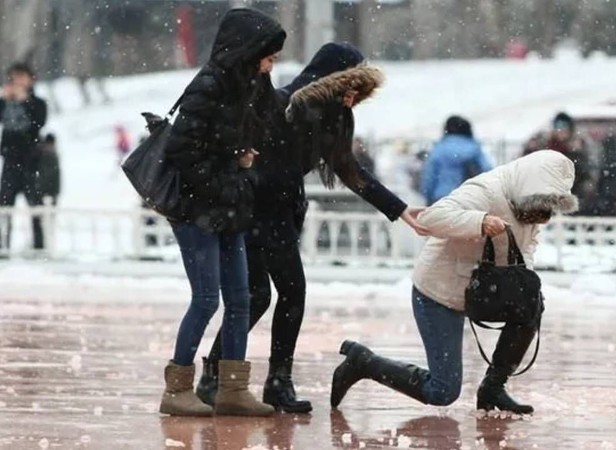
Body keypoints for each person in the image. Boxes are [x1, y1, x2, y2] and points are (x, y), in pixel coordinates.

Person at [195, 42, 429, 414]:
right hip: (255, 210)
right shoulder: (289, 103)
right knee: (277, 294)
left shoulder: (336, 116)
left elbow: (349, 170)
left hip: (277, 212)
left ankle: (245, 380)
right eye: (351, 83)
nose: (355, 95)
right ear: (334, 78)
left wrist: (399, 209)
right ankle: (243, 379)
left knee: (262, 296)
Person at [330, 150, 577, 414]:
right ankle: (363, 362)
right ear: (530, 186)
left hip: (480, 288)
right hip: (438, 292)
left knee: (530, 303)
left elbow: (528, 243)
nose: (543, 214)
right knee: (443, 391)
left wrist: (521, 279)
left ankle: (493, 387)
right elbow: (432, 217)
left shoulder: (531, 205)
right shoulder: (486, 190)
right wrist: (479, 221)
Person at [159, 8, 286, 417]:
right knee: (206, 299)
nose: (272, 63)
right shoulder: (209, 86)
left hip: (230, 207)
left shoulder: (245, 86)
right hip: (197, 210)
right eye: (268, 55)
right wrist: (229, 173)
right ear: (248, 50)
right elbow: (184, 151)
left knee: (240, 299)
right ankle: (177, 387)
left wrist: (239, 162)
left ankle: (233, 389)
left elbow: (250, 131)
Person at [0, 62, 48, 251]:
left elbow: (39, 123)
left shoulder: (38, 103)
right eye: (14, 77)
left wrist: (25, 101)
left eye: (21, 77)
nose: (17, 81)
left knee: (36, 207)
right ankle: (3, 246)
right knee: (5, 207)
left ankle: (39, 247)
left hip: (31, 162)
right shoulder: (5, 102)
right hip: (10, 161)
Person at [522, 112, 595, 214]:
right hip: (545, 197)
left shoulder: (579, 147)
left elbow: (585, 173)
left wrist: (575, 153)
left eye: (564, 127)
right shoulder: (544, 144)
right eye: (558, 127)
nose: (561, 131)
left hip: (572, 197)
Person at [421, 115, 492, 206]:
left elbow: (429, 176)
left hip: (441, 198)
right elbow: (487, 170)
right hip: (469, 198)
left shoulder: (439, 149)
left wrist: (428, 196)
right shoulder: (475, 148)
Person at [37, 133, 61, 206]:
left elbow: (56, 174)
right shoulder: (42, 154)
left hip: (50, 185)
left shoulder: (53, 155)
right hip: (42, 185)